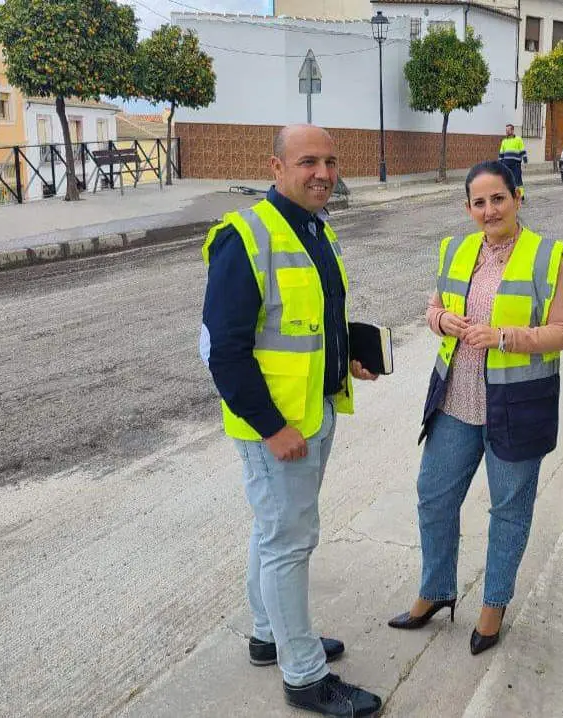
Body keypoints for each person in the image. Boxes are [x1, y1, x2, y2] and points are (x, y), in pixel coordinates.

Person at [200, 124, 383, 717]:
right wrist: (272, 428)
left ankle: (267, 634)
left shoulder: (313, 228)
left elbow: (308, 318)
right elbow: (222, 349)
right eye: (308, 161)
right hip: (278, 427)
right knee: (290, 542)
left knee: (274, 532)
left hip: (313, 411)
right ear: (275, 167)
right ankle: (303, 675)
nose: (323, 173)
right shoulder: (246, 235)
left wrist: (349, 352)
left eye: (331, 161)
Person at [386, 160, 563, 655]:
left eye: (499, 199)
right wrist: (441, 319)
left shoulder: (547, 257)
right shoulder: (456, 249)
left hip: (516, 405)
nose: (489, 210)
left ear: (518, 198)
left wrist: (505, 337)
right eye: (479, 202)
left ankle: (493, 607)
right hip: (456, 399)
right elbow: (432, 307)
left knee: (509, 509)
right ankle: (435, 590)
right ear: (467, 207)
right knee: (433, 496)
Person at [498, 123, 527, 201]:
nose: (507, 131)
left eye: (508, 130)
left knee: (518, 180)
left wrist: (525, 161)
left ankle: (521, 195)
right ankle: (509, 196)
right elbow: (501, 153)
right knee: (507, 180)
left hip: (516, 164)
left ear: (512, 130)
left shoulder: (518, 139)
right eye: (506, 130)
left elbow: (522, 151)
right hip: (506, 164)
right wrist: (500, 163)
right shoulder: (504, 141)